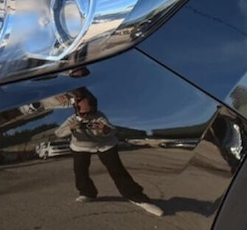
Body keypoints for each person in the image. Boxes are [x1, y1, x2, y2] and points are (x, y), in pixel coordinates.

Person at [49, 87, 164, 216]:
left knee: (117, 170)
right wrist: (70, 129)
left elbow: (112, 130)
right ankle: (87, 192)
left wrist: (105, 130)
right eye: (83, 113)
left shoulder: (99, 116)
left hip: (104, 144)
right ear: (76, 107)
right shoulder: (72, 119)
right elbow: (58, 133)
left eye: (89, 112)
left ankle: (137, 197)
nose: (86, 116)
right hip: (80, 146)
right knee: (80, 170)